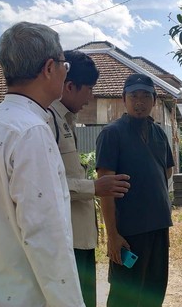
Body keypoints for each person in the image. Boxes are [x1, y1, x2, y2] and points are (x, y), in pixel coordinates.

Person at [0, 21, 85, 307]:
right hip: (28, 298)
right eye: (64, 65)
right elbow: (46, 236)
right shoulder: (31, 132)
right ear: (49, 68)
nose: (66, 71)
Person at [47, 50, 130, 307]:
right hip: (66, 240)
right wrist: (94, 187)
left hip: (81, 238)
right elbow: (46, 184)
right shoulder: (46, 122)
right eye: (89, 90)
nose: (90, 97)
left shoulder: (66, 121)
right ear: (70, 86)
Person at [96, 73, 175, 307]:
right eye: (133, 96)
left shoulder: (159, 133)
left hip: (159, 228)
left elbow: (167, 171)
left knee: (154, 291)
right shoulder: (112, 134)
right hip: (129, 234)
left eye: (145, 96)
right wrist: (112, 235)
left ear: (154, 100)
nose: (139, 102)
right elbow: (105, 189)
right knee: (125, 296)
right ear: (124, 99)